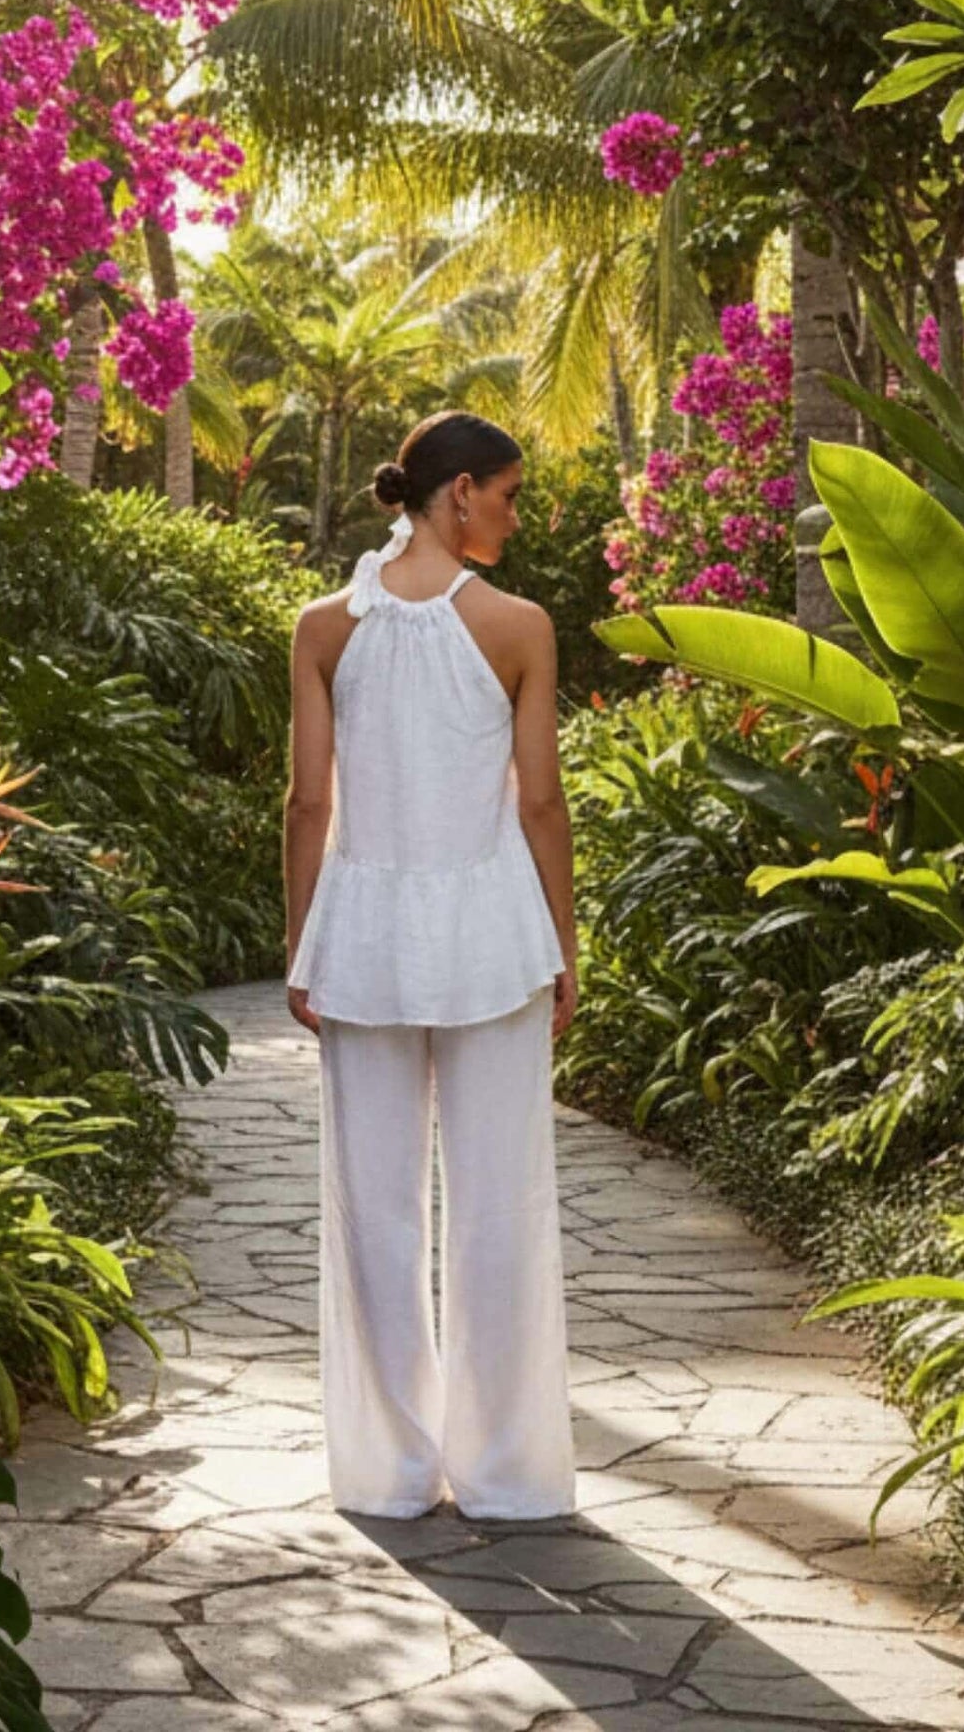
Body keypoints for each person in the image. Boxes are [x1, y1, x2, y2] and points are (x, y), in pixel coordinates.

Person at [282, 408, 579, 1520]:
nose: (512, 511)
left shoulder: (322, 626)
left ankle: (391, 1469)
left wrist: (299, 941)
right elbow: (539, 801)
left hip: (359, 937)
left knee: (373, 1206)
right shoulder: (519, 626)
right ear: (456, 493)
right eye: (505, 492)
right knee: (499, 1201)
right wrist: (564, 940)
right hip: (494, 937)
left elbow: (309, 801)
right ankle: (503, 1471)